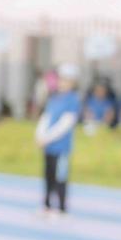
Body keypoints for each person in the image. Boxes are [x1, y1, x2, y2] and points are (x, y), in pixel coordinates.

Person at [35, 63, 81, 216]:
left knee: (60, 177)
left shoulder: (73, 99)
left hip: (61, 147)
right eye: (61, 79)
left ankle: (61, 208)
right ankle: (47, 205)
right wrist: (39, 136)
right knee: (48, 175)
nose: (63, 83)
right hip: (49, 147)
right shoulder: (54, 98)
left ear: (73, 83)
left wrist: (47, 138)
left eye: (67, 80)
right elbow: (46, 118)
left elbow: (65, 124)